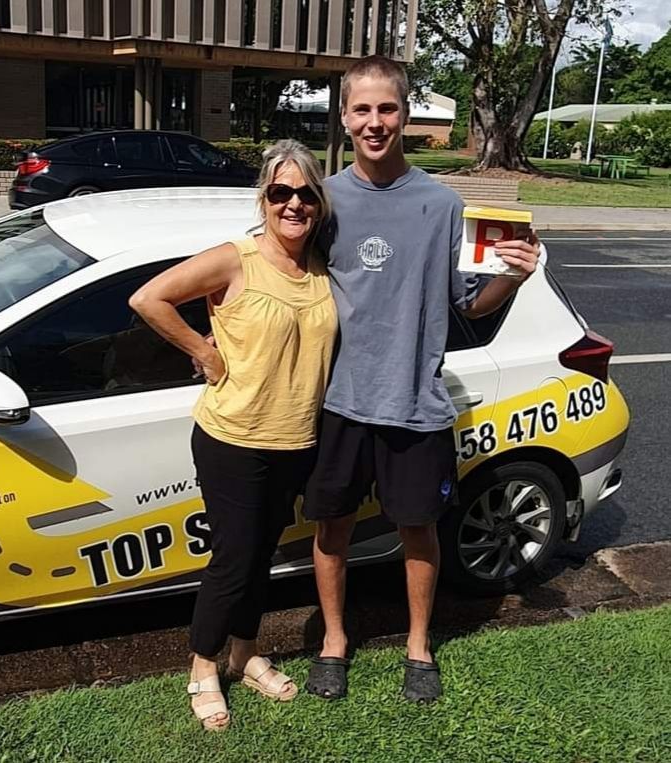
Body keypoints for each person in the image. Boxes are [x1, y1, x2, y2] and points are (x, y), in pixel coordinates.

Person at [302, 56, 542, 703]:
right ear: (345, 117)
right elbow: (271, 274)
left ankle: (417, 645)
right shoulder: (322, 200)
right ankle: (333, 640)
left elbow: (470, 306)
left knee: (418, 530)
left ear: (406, 116)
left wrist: (513, 275)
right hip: (340, 404)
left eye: (387, 109)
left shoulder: (442, 205)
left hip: (415, 405)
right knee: (332, 529)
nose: (374, 122)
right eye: (362, 110)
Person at [129, 140, 337, 731]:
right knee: (233, 559)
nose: (293, 204)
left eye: (305, 194)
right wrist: (201, 349)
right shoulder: (236, 258)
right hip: (234, 439)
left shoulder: (320, 266)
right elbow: (149, 298)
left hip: (296, 439)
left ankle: (245, 653)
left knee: (260, 557)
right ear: (264, 198)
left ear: (318, 203)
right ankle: (203, 667)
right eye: (280, 192)